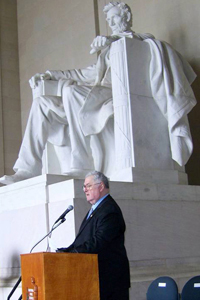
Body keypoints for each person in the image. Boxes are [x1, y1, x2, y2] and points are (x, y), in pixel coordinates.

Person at [56, 171, 130, 300]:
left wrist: (74, 252)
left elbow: (99, 241)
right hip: (96, 278)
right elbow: (83, 239)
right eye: (84, 186)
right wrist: (67, 251)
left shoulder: (109, 210)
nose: (85, 190)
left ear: (101, 186)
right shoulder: (96, 209)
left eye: (88, 186)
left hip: (109, 281)